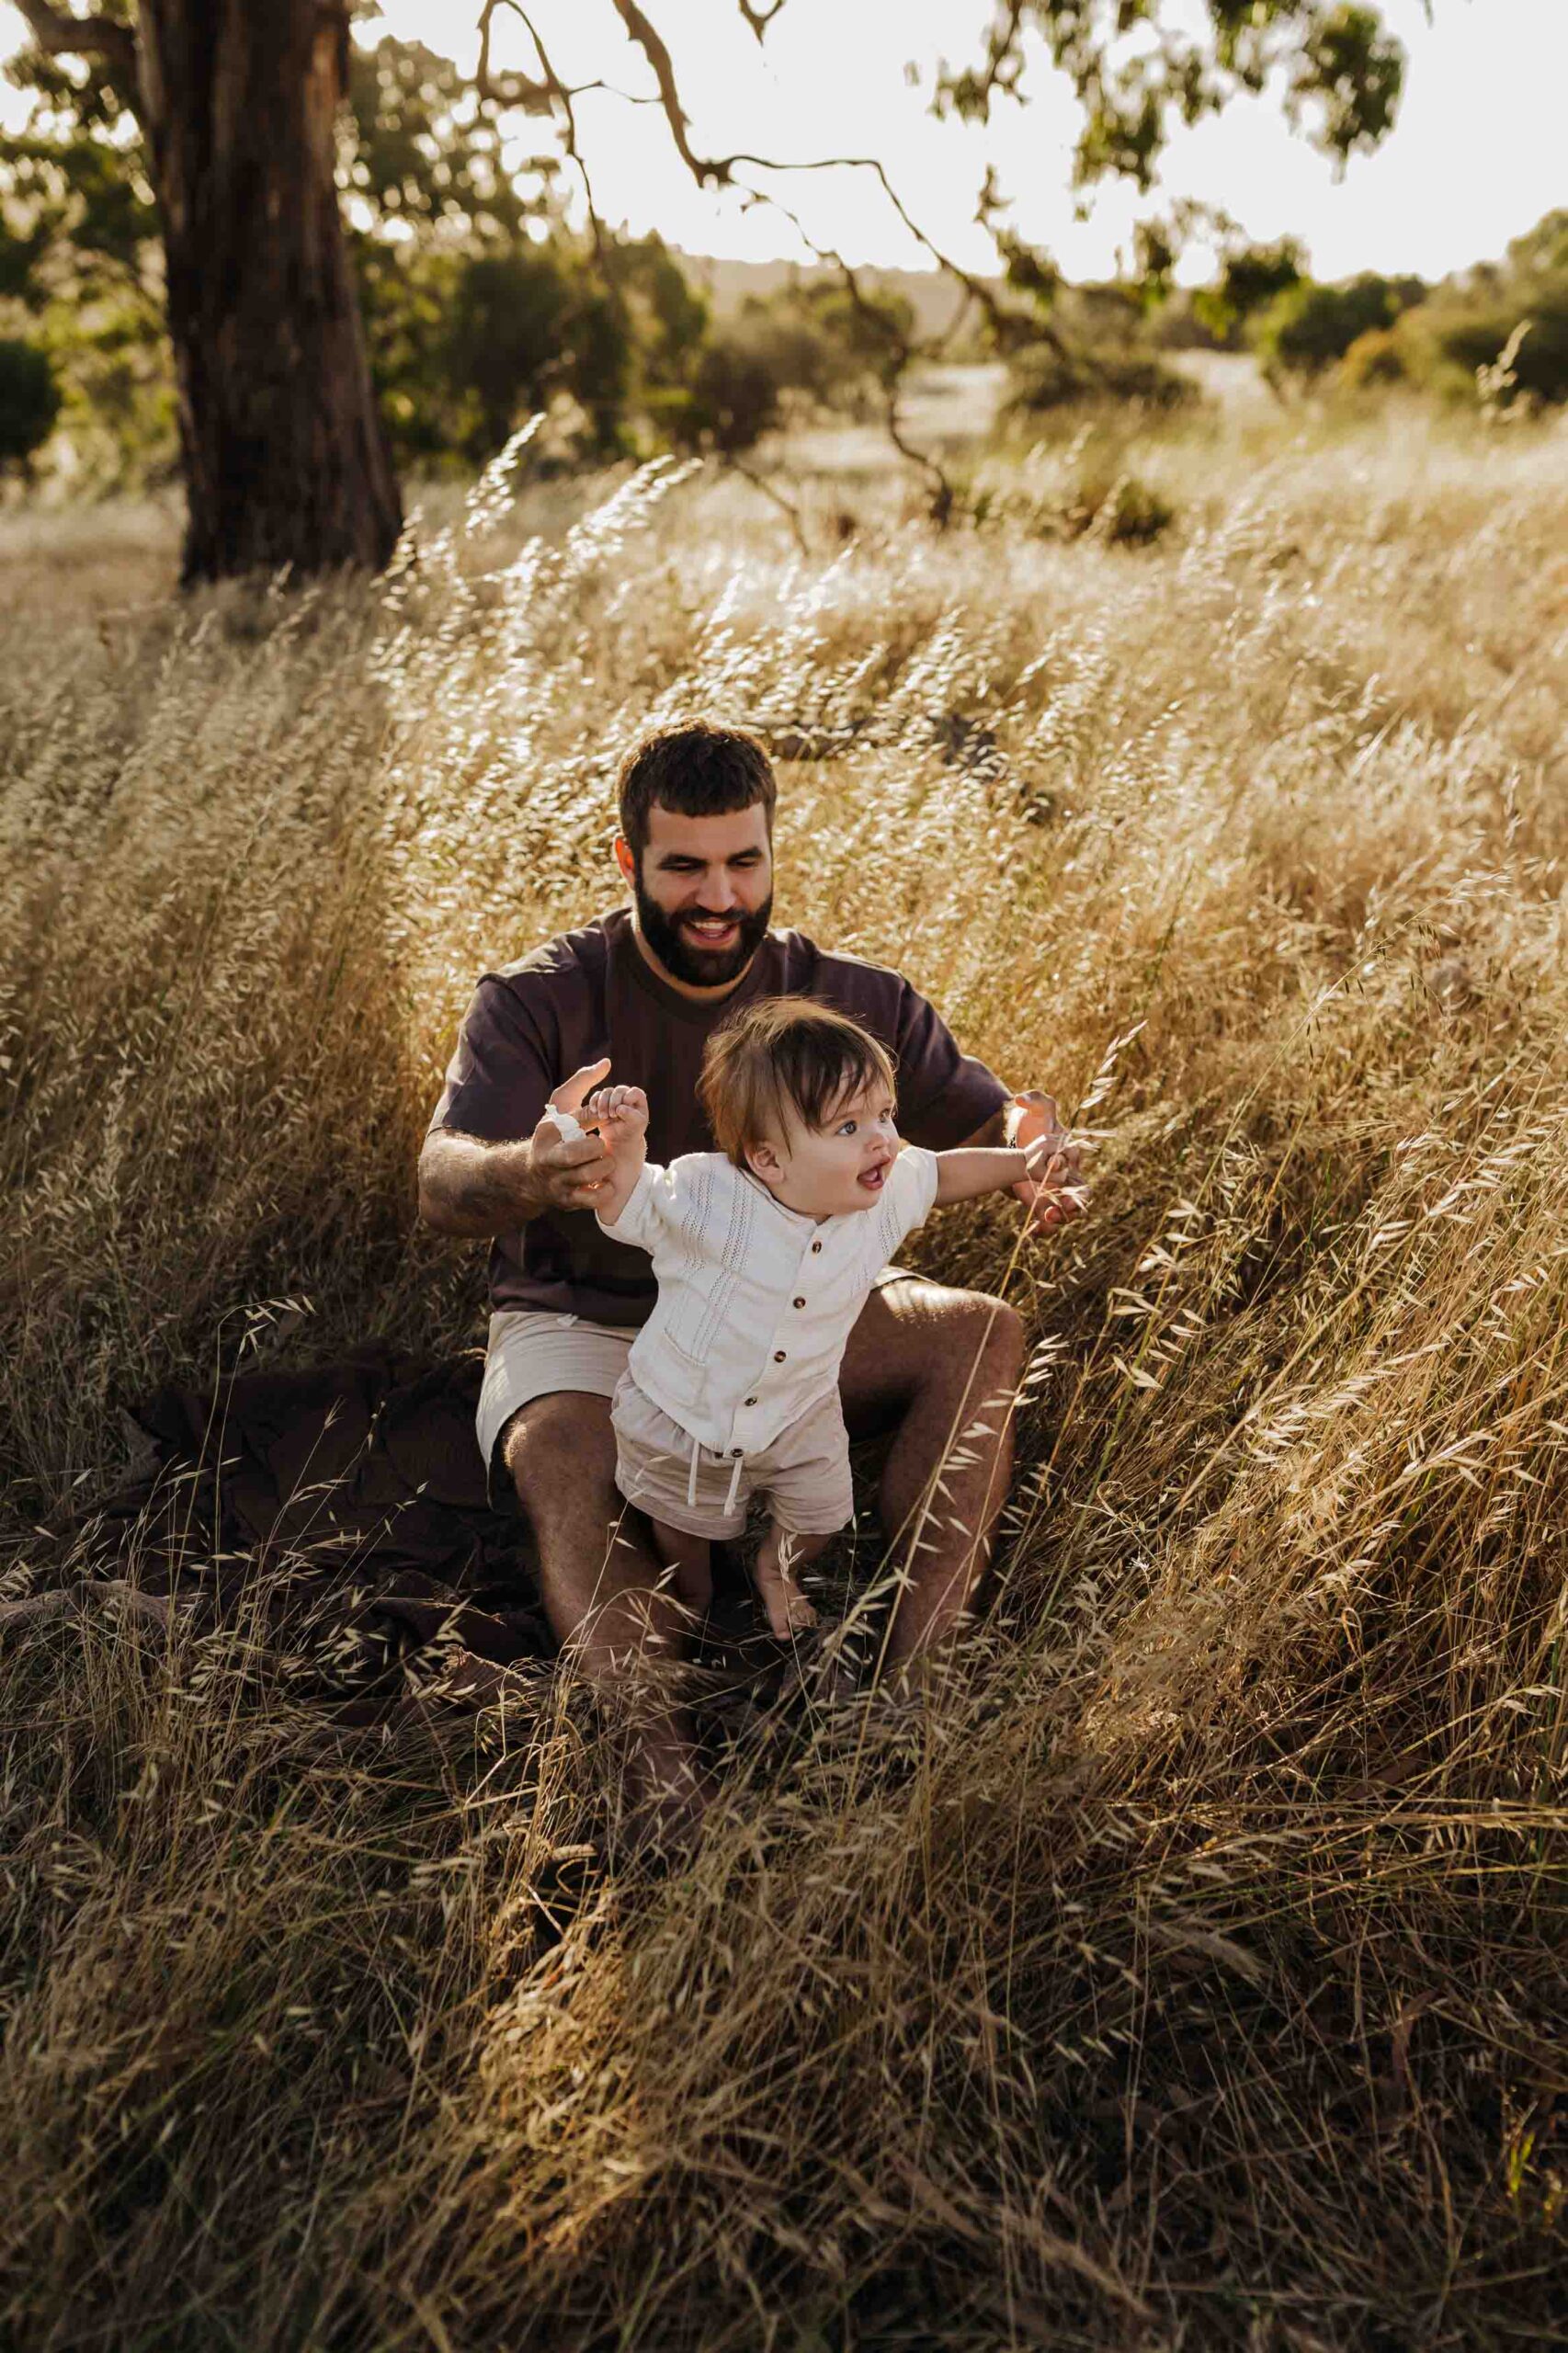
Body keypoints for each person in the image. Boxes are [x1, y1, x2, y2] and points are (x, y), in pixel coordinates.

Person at [418, 718, 1085, 1845]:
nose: (718, 895)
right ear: (629, 860)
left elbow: (989, 1113)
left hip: (784, 1307)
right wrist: (533, 1167)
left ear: (772, 851)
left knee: (978, 1329)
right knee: (560, 1451)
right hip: (592, 1323)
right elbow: (442, 1180)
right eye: (683, 867)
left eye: (744, 862)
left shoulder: (842, 997)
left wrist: (1032, 1137)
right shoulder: (537, 999)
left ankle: (910, 1708)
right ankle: (662, 1782)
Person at [579, 996, 1065, 1643]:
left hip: (800, 1409)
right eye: (847, 1127)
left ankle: (776, 1569)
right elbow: (631, 1202)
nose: (882, 1139)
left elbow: (944, 1172)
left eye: (885, 1114)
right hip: (686, 1410)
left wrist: (1025, 1164)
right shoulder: (707, 1197)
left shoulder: (883, 1187)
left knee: (822, 1512)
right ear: (770, 1160)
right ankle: (695, 1596)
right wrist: (627, 1147)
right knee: (684, 1523)